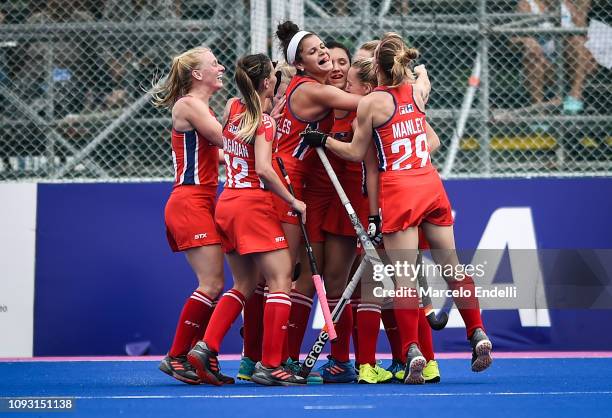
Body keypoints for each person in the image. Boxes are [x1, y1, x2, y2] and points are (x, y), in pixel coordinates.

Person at [302, 32, 493, 384]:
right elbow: (423, 78)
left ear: (377, 67)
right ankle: (477, 331)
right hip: (431, 185)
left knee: (404, 278)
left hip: (400, 190)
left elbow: (357, 153)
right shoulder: (417, 92)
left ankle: (411, 350)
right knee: (452, 266)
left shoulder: (373, 103)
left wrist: (325, 141)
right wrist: (417, 71)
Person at [187, 53, 308, 386]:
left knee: (243, 284)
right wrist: (293, 200)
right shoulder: (265, 123)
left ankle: (205, 345)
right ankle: (270, 364)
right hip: (252, 205)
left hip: (226, 202)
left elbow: (242, 133)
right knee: (281, 279)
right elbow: (266, 170)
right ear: (268, 82)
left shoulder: (231, 108)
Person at [272, 21, 362, 379]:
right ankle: (275, 360)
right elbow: (375, 101)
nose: (331, 61)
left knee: (331, 281)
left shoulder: (316, 90)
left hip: (329, 196)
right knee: (295, 279)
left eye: (340, 58)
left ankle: (337, 360)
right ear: (301, 65)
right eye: (318, 53)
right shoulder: (317, 92)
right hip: (297, 190)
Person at [151, 46, 232, 385]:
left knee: (215, 284)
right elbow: (224, 140)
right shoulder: (189, 105)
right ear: (198, 74)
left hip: (199, 199)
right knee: (212, 283)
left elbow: (222, 155)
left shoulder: (202, 107)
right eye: (215, 63)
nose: (221, 67)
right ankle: (177, 355)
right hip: (189, 201)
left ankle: (197, 355)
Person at [511, 0, 596, 114]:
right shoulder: (527, 4)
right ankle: (538, 110)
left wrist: (588, 54)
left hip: (567, 65)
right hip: (541, 64)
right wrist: (526, 41)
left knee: (576, 41)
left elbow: (583, 34)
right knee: (531, 51)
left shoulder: (567, 5)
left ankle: (575, 96)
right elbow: (512, 40)